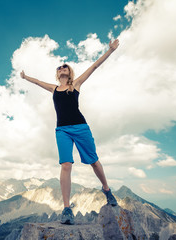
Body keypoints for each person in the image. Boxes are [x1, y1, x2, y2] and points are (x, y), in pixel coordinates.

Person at [20, 39, 119, 225]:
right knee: (66, 165)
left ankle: (107, 190)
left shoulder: (77, 84)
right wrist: (26, 78)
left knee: (94, 162)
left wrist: (110, 51)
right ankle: (66, 210)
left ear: (69, 71)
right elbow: (38, 82)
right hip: (62, 131)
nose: (62, 68)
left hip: (81, 128)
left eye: (65, 66)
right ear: (58, 74)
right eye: (59, 67)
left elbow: (95, 66)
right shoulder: (54, 88)